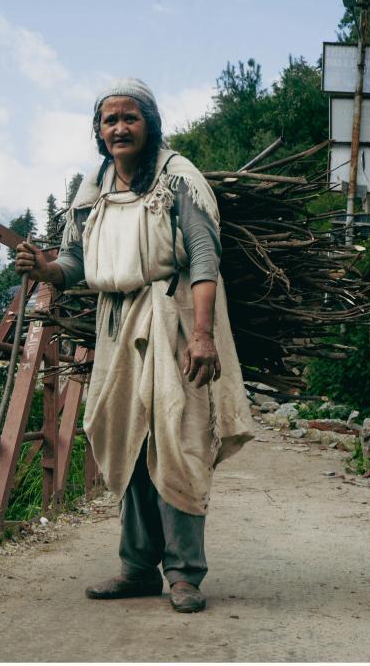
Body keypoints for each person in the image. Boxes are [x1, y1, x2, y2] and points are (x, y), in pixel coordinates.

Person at [15, 78, 254, 613]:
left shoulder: (176, 177)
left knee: (177, 441)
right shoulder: (94, 186)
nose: (119, 128)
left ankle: (185, 574)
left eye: (130, 118)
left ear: (149, 123)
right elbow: (75, 263)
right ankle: (138, 567)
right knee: (128, 440)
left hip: (173, 319)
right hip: (116, 326)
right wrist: (45, 267)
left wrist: (202, 334)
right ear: (98, 132)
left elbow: (202, 254)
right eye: (109, 120)